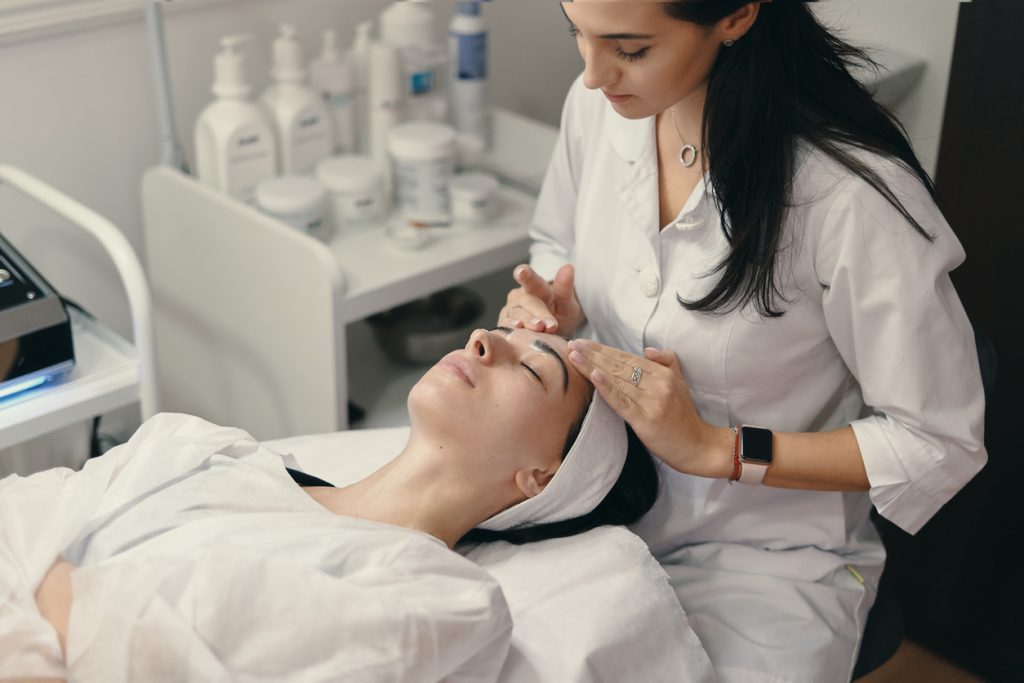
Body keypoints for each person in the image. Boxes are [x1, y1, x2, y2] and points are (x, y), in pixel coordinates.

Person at [499, 1, 987, 680]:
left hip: (765, 556)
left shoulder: (846, 196)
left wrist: (716, 449)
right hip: (598, 505)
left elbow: (937, 440)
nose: (591, 75)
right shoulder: (601, 110)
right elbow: (558, 239)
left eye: (630, 49)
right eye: (577, 34)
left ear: (736, 15)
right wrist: (562, 296)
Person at [0, 328, 658, 682]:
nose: (486, 338)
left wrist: (43, 591)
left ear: (539, 476)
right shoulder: (205, 448)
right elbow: (17, 509)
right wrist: (57, 598)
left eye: (531, 367)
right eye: (504, 330)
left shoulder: (440, 599)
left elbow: (151, 651)